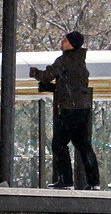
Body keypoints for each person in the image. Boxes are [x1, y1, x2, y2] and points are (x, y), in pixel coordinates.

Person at [31, 30, 101, 190]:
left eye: (65, 40)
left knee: (58, 145)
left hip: (68, 110)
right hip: (83, 109)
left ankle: (66, 180)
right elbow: (73, 86)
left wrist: (35, 73)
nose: (62, 42)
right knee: (83, 145)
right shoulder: (80, 63)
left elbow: (46, 75)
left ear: (71, 44)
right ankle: (94, 182)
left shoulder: (64, 60)